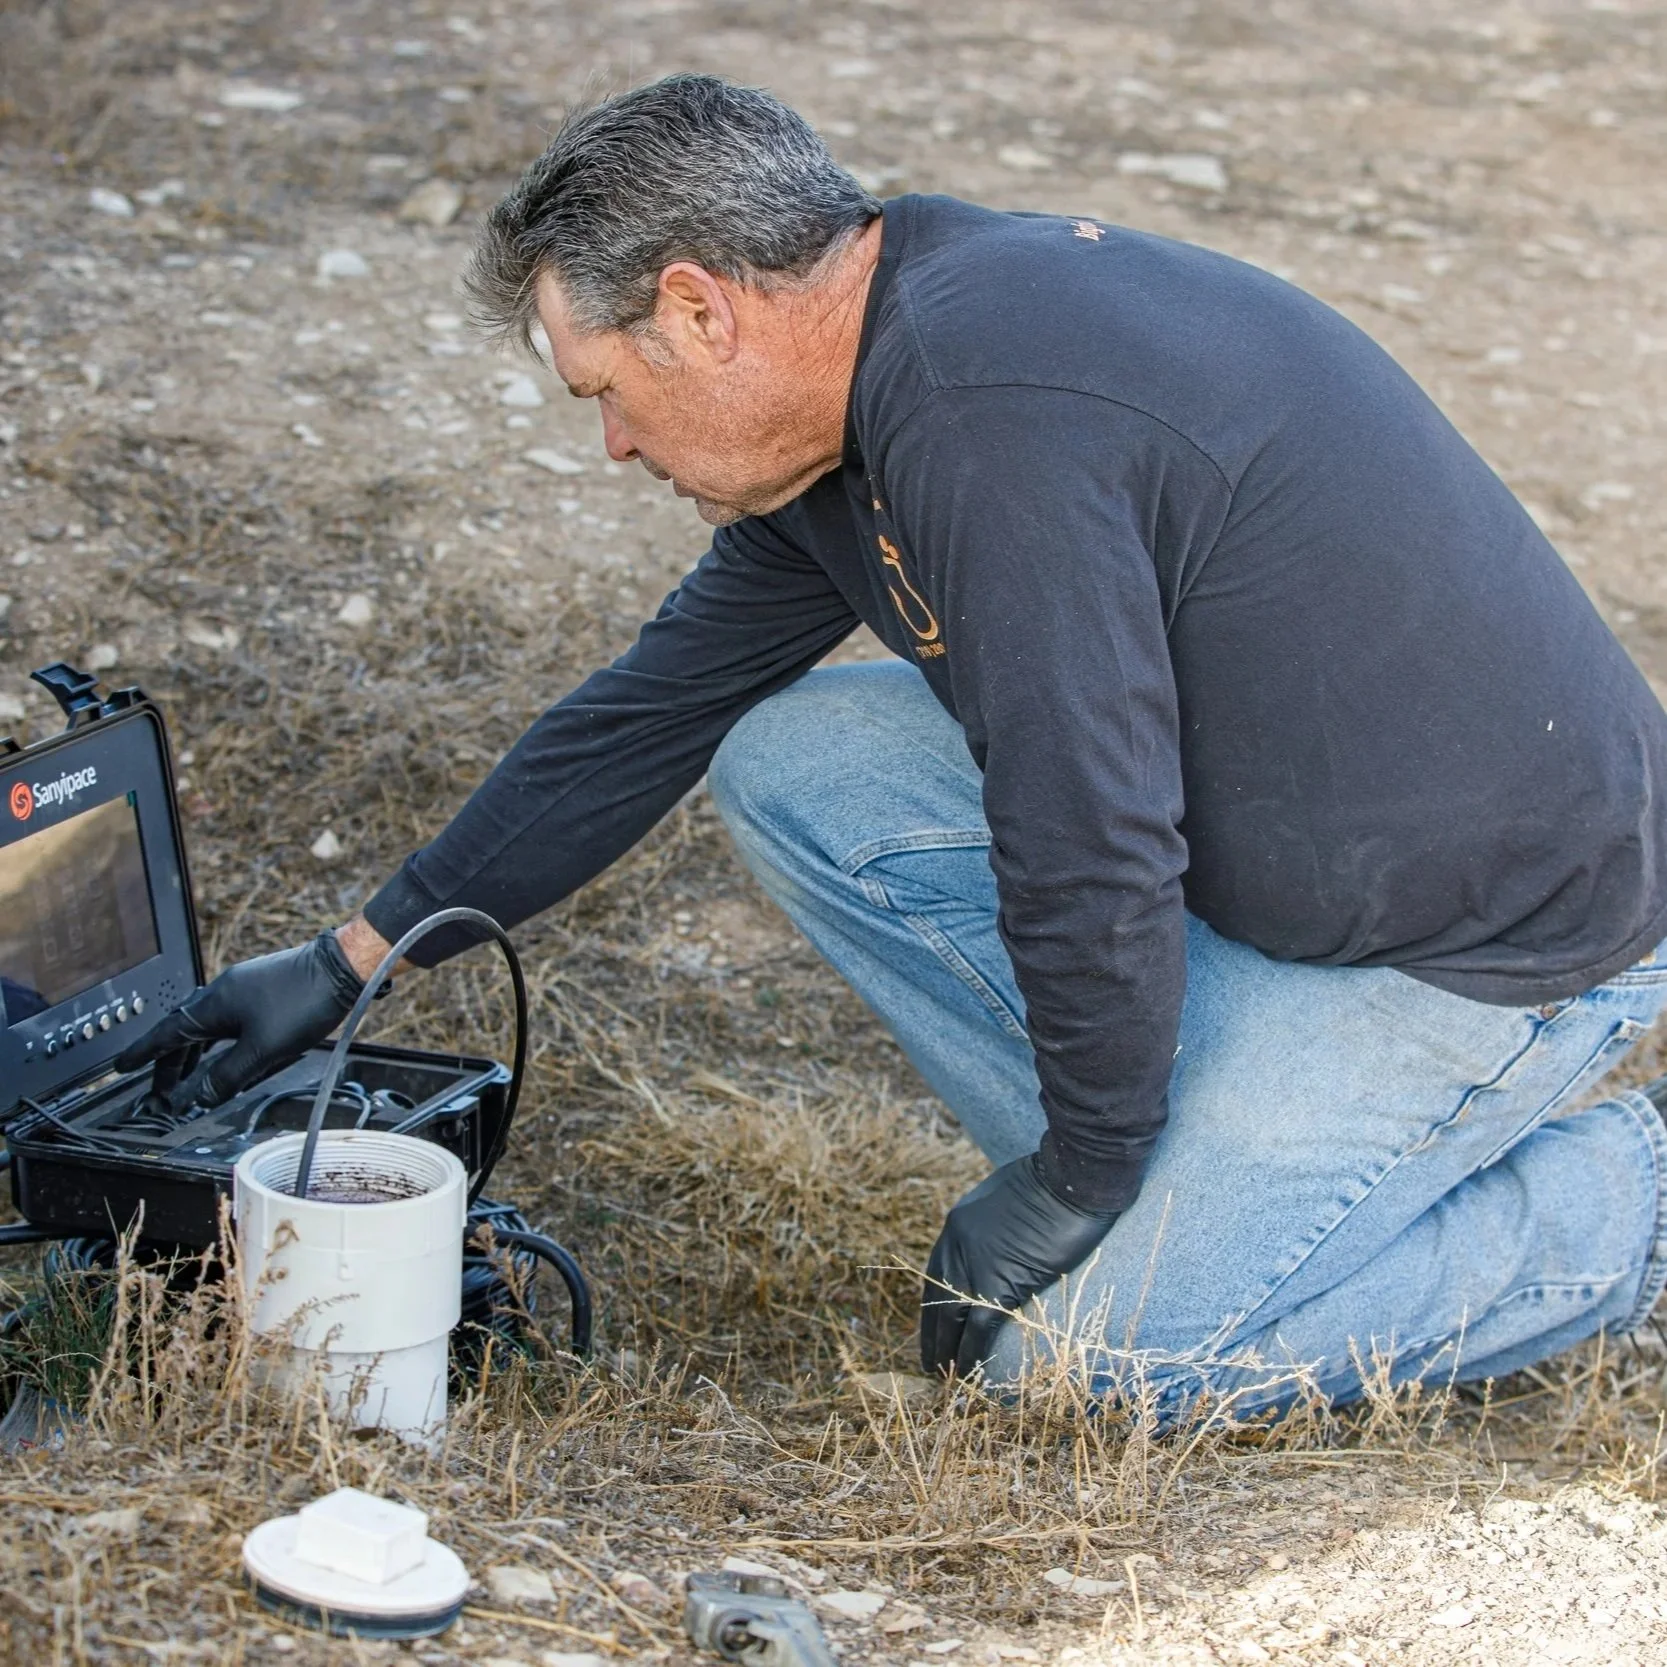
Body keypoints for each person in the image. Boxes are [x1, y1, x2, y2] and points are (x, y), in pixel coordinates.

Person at [117, 74, 1667, 1418]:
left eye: (606, 388)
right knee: (793, 763)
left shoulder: (987, 408)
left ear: (699, 310)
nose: (614, 444)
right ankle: (1193, 1177)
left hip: (1493, 940)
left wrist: (1077, 1170)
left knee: (1085, 1364)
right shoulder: (860, 392)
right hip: (1296, 869)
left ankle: (1619, 1201)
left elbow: (1089, 827)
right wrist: (348, 958)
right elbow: (638, 718)